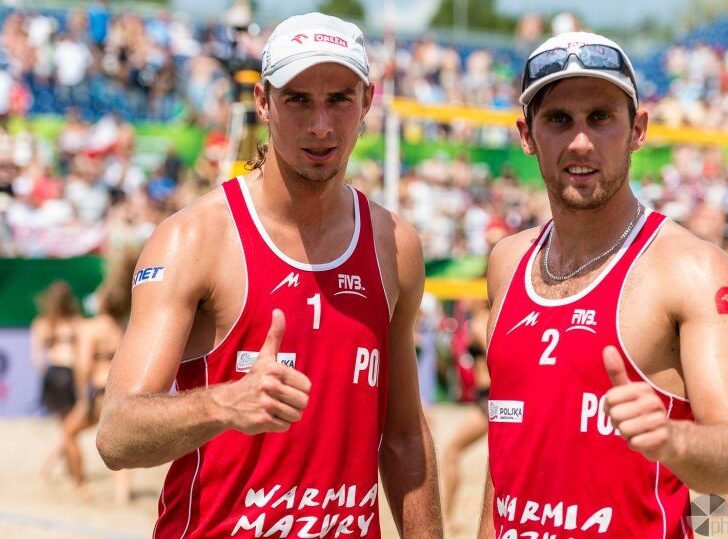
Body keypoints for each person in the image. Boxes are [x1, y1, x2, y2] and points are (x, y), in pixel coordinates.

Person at [96, 13, 442, 538]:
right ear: (263, 102)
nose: (321, 125)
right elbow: (116, 435)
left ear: (367, 101)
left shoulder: (395, 246)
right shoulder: (195, 238)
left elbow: (403, 437)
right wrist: (222, 403)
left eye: (339, 99)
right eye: (298, 99)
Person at [478, 32, 728, 538]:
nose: (581, 141)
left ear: (637, 130)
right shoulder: (507, 262)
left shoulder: (692, 269)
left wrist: (673, 441)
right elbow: (504, 466)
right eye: (559, 119)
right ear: (526, 135)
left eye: (602, 118)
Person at [62, 247, 137, 503]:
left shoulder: (90, 328)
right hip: (119, 390)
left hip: (97, 390)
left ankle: (81, 485)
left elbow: (83, 365)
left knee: (68, 433)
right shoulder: (124, 328)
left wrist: (82, 393)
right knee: (121, 444)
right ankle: (122, 495)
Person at [442, 299, 490, 534]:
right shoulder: (486, 320)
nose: (463, 301)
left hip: (488, 400)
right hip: (485, 399)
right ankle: (449, 515)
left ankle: (449, 517)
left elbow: (495, 355)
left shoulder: (481, 324)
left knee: (451, 451)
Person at [30, 280, 83, 476]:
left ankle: (68, 466)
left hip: (53, 372)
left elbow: (37, 358)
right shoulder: (74, 322)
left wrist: (46, 375)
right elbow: (81, 354)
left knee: (64, 423)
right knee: (70, 425)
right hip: (69, 371)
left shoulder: (42, 323)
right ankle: (48, 464)